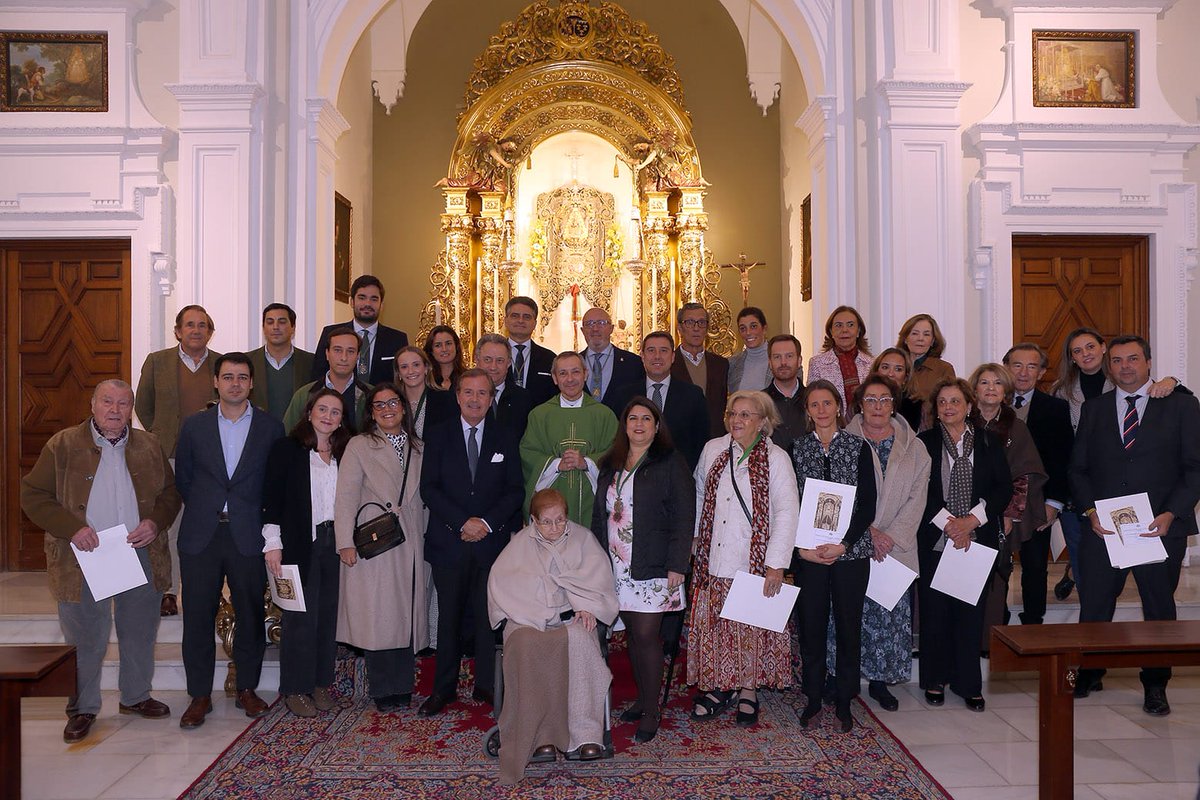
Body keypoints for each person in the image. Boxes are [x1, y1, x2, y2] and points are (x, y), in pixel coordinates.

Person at [20, 380, 182, 743]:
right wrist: (72, 528)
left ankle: (136, 696)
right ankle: (82, 707)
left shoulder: (149, 445)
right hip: (82, 556)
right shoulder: (62, 444)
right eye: (107, 401)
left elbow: (171, 494)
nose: (115, 410)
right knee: (84, 637)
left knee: (139, 631)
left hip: (138, 551)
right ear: (92, 404)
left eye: (123, 403)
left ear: (131, 409)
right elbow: (33, 494)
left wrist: (155, 522)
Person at [1069, 335, 1200, 716]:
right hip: (1104, 530)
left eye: (1133, 359)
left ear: (1148, 362)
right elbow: (1077, 469)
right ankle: (1089, 673)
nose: (1125, 367)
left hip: (1159, 528)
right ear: (1108, 366)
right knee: (1095, 605)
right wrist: (1090, 511)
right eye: (1117, 360)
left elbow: (1195, 468)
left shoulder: (1181, 405)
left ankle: (1156, 685)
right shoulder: (1094, 409)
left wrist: (1172, 513)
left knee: (1158, 610)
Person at [174, 352, 284, 729]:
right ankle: (199, 695)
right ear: (216, 382)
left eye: (241, 377)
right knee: (197, 617)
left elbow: (275, 483)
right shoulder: (194, 426)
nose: (235, 383)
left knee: (251, 614)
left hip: (248, 533)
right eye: (228, 377)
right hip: (202, 534)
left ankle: (246, 689)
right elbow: (185, 479)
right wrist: (208, 507)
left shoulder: (271, 427)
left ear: (251, 384)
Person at [487, 488, 619, 785]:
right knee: (525, 643)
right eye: (546, 522)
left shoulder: (584, 540)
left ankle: (585, 735)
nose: (555, 527)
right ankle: (539, 737)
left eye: (560, 520)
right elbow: (503, 586)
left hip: (572, 617)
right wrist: (533, 613)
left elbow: (599, 582)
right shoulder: (519, 546)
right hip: (527, 617)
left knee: (581, 639)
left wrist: (587, 606)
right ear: (533, 520)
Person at [688, 391, 799, 727]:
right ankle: (720, 687)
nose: (736, 420)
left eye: (745, 415)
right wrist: (696, 537)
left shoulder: (776, 458)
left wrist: (776, 563)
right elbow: (699, 493)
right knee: (717, 627)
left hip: (753, 562)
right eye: (732, 413)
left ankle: (748, 690)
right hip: (714, 557)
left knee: (749, 628)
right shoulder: (713, 449)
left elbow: (786, 511)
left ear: (763, 421)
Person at [419, 369, 526, 717]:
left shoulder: (505, 436)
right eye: (468, 392)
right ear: (457, 396)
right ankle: (443, 689)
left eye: (482, 393)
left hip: (490, 544)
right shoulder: (438, 435)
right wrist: (462, 522)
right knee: (448, 618)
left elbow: (515, 490)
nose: (475, 399)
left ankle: (486, 684)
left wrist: (486, 524)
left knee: (486, 617)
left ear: (491, 398)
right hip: (448, 542)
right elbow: (429, 488)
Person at [591, 398, 694, 743]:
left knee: (648, 635)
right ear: (625, 425)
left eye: (646, 418)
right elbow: (599, 516)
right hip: (618, 564)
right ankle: (643, 698)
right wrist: (596, 562)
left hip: (656, 564)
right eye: (632, 418)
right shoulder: (612, 463)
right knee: (633, 635)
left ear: (656, 425)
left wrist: (677, 564)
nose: (638, 424)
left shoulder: (670, 462)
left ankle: (652, 710)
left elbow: (684, 515)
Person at [1051, 327, 1179, 597]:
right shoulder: (1061, 392)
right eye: (1077, 351)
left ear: (1103, 348)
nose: (1085, 354)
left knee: (1152, 593)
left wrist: (1173, 379)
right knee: (1093, 575)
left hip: (1140, 495)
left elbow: (1161, 391)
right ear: (1072, 358)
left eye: (1090, 346)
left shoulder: (1126, 379)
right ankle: (1076, 573)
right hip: (1088, 484)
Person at [917, 379, 1012, 713]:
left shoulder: (988, 441)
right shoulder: (924, 443)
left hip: (977, 539)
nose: (948, 407)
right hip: (936, 538)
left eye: (955, 401)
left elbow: (1003, 488)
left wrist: (971, 521)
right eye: (942, 402)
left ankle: (968, 683)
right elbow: (920, 491)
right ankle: (934, 679)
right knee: (935, 613)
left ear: (969, 406)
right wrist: (950, 524)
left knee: (970, 613)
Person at [334, 383, 430, 712]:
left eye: (393, 403)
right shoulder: (360, 445)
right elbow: (345, 497)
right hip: (376, 542)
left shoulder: (419, 447)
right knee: (378, 617)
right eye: (379, 405)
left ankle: (402, 686)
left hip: (411, 540)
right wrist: (345, 543)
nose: (387, 409)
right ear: (371, 413)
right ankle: (382, 688)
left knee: (405, 616)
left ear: (403, 408)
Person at [838, 374, 930, 712]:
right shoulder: (844, 441)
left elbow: (918, 497)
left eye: (885, 399)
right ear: (860, 405)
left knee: (887, 615)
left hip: (896, 547)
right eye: (871, 400)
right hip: (853, 541)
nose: (878, 406)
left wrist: (890, 536)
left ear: (894, 405)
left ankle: (880, 682)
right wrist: (868, 532)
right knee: (847, 613)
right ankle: (842, 678)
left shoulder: (914, 447)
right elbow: (839, 492)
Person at [791, 379, 877, 733]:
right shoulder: (797, 448)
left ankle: (844, 700)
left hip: (851, 554)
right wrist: (800, 550)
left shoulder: (858, 447)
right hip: (809, 555)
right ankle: (812, 698)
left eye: (827, 403)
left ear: (838, 407)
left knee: (848, 627)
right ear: (807, 411)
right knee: (810, 627)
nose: (822, 410)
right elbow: (790, 503)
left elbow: (868, 504)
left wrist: (844, 544)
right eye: (814, 404)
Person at [261, 389, 351, 717]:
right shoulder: (287, 449)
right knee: (300, 620)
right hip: (300, 544)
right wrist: (273, 544)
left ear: (342, 419)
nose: (328, 416)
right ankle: (295, 688)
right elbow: (271, 499)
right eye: (322, 409)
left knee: (327, 618)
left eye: (335, 412)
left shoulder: (345, 452)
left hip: (334, 544)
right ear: (309, 411)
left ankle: (320, 684)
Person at [134, 304, 221, 617]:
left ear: (210, 332)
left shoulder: (221, 364)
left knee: (208, 525)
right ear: (178, 331)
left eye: (202, 325)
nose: (196, 330)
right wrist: (161, 435)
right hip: (168, 456)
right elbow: (143, 406)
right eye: (190, 325)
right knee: (168, 524)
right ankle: (168, 591)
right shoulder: (157, 362)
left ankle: (207, 590)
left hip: (210, 459)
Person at [968, 363, 1047, 643]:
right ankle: (969, 638)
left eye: (997, 383)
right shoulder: (961, 421)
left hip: (1001, 515)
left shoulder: (1016, 427)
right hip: (965, 513)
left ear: (1006, 392)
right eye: (984, 382)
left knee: (997, 578)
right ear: (974, 389)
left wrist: (1009, 514)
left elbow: (1025, 473)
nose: (991, 388)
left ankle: (992, 640)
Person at [1003, 343, 1073, 625]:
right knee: (998, 565)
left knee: (1034, 565)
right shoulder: (990, 402)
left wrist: (1054, 503)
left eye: (1032, 366)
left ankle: (1033, 623)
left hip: (1037, 501)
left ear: (1042, 372)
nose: (1023, 372)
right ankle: (997, 619)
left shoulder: (1056, 408)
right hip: (996, 501)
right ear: (1006, 367)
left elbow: (1062, 458)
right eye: (1017, 365)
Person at [520, 352, 618, 525]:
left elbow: (616, 452)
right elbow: (528, 454)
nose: (570, 379)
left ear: (585, 374)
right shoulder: (539, 415)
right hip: (550, 505)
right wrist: (556, 464)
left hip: (591, 504)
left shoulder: (604, 415)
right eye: (563, 373)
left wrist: (587, 463)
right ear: (554, 378)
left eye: (576, 372)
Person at [605, 331, 709, 470]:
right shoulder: (624, 395)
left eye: (664, 351)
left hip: (679, 474)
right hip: (634, 473)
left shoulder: (693, 395)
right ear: (642, 356)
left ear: (673, 357)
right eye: (651, 350)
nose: (657, 356)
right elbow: (617, 439)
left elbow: (701, 442)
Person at [310, 275, 408, 385]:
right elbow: (317, 377)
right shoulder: (331, 333)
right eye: (362, 298)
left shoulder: (398, 339)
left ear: (381, 305)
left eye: (374, 299)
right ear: (352, 302)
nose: (367, 304)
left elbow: (403, 381)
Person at [283, 327, 370, 432]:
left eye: (350, 351)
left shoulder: (370, 395)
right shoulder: (304, 395)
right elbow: (288, 434)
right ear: (327, 354)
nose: (344, 358)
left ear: (358, 356)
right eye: (337, 350)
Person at [247, 303, 315, 421]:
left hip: (298, 430)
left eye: (282, 322)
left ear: (293, 327)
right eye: (270, 322)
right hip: (257, 430)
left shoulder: (311, 362)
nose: (275, 327)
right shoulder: (247, 362)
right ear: (263, 328)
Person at [671, 302, 729, 439]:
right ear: (680, 328)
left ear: (707, 328)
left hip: (714, 440)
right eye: (690, 322)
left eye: (701, 322)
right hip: (680, 440)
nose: (696, 328)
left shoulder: (720, 364)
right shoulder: (669, 364)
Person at [807, 305, 872, 407]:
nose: (844, 330)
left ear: (858, 331)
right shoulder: (817, 364)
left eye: (850, 325)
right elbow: (812, 401)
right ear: (831, 332)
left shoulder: (871, 364)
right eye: (838, 325)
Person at [579, 306, 644, 406]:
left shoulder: (634, 363)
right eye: (589, 324)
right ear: (582, 330)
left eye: (601, 323)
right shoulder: (574, 363)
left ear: (611, 328)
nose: (595, 329)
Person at [393, 345, 458, 438]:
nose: (410, 371)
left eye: (416, 365)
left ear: (426, 368)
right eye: (404, 367)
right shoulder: (392, 403)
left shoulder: (446, 399)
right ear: (398, 373)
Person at [477, 332, 533, 439]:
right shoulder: (464, 396)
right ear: (477, 360)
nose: (493, 367)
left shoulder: (523, 399)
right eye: (487, 360)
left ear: (508, 363)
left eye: (500, 361)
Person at [505, 296, 556, 407]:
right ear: (506, 320)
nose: (520, 321)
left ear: (535, 323)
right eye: (515, 316)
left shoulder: (549, 358)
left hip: (539, 416)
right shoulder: (494, 356)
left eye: (527, 317)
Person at [895, 314, 955, 404]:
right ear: (905, 339)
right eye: (915, 333)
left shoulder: (943, 369)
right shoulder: (894, 366)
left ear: (932, 341)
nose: (920, 338)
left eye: (926, 334)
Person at [764, 334, 806, 452]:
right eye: (777, 357)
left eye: (789, 356)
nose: (783, 362)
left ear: (799, 361)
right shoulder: (759, 403)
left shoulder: (813, 400)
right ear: (770, 362)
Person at [870, 347, 924, 431]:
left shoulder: (916, 406)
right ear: (875, 371)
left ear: (906, 378)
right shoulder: (860, 400)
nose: (890, 374)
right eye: (885, 367)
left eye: (898, 369)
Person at [726, 307, 769, 393]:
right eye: (743, 328)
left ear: (764, 329)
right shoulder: (732, 363)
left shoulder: (780, 359)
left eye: (753, 326)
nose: (748, 332)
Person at [424, 324, 465, 391]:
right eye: (438, 345)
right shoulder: (425, 379)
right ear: (431, 350)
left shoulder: (468, 377)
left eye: (448, 343)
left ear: (456, 346)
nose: (444, 349)